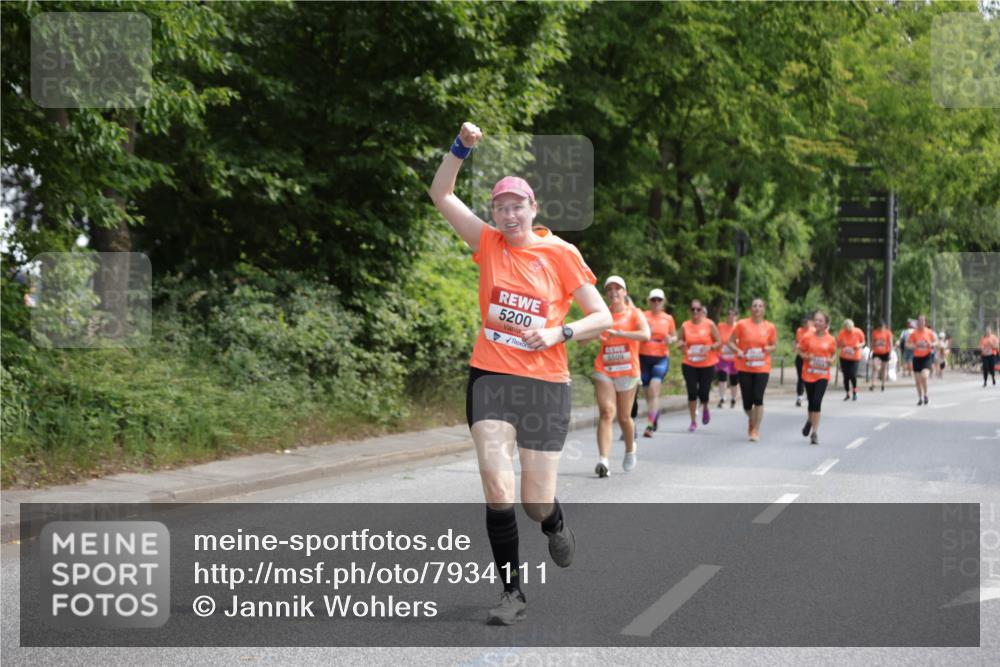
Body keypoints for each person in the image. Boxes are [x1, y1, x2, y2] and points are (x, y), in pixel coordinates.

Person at [429, 122, 613, 625]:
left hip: (545, 386)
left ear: (533, 209)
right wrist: (461, 147)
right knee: (496, 486)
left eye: (517, 205)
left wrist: (560, 334)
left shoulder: (560, 254)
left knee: (534, 502)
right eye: (500, 206)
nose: (509, 214)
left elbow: (603, 317)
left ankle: (554, 523)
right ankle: (513, 594)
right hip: (490, 378)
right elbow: (440, 193)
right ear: (495, 214)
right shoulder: (488, 243)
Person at [579, 276, 650, 477]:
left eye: (617, 288)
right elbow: (581, 341)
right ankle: (603, 460)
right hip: (605, 369)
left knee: (624, 416)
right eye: (609, 289)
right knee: (606, 412)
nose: (613, 292)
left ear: (625, 292)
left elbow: (646, 335)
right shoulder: (602, 315)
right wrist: (596, 335)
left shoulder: (635, 314)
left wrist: (619, 333)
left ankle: (630, 449)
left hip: (628, 370)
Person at [728, 297, 778, 442]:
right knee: (747, 402)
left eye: (760, 306)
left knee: (758, 397)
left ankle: (755, 429)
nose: (757, 308)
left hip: (762, 367)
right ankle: (752, 419)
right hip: (745, 366)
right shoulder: (742, 324)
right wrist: (738, 351)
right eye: (754, 306)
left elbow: (774, 345)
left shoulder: (770, 327)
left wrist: (769, 348)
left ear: (764, 309)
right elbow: (730, 342)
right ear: (751, 309)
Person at [677, 299, 722, 432]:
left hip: (707, 364)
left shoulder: (709, 324)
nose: (695, 312)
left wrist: (710, 346)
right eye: (693, 309)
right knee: (692, 392)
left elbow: (719, 341)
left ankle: (705, 407)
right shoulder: (685, 325)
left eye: (698, 309)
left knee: (703, 392)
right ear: (690, 311)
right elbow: (680, 341)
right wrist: (681, 345)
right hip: (689, 363)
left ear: (702, 310)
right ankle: (693, 421)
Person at [638, 288, 676, 438]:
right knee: (648, 393)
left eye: (659, 300)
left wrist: (670, 339)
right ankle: (654, 414)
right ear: (649, 301)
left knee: (654, 390)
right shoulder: (643, 316)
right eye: (653, 300)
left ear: (663, 302)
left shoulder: (668, 318)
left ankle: (649, 425)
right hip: (643, 357)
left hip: (660, 358)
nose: (656, 303)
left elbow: (674, 336)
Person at [797, 310, 837, 445]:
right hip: (809, 373)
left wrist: (831, 361)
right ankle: (809, 420)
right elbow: (799, 350)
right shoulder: (807, 336)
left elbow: (833, 354)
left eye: (821, 321)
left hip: (822, 375)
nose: (818, 323)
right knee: (811, 401)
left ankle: (814, 433)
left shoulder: (830, 339)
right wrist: (806, 356)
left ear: (826, 323)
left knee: (817, 401)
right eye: (816, 320)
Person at [906, 314, 938, 405]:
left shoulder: (929, 332)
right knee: (917, 381)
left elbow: (936, 341)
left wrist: (932, 344)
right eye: (919, 321)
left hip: (926, 357)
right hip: (916, 358)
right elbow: (907, 344)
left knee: (924, 377)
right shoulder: (914, 333)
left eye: (922, 321)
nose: (920, 323)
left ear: (925, 322)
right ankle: (920, 398)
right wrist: (914, 345)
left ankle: (926, 394)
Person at [715, 308, 739, 409]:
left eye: (733, 315)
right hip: (723, 356)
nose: (731, 317)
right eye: (729, 314)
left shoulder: (739, 327)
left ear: (737, 316)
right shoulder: (720, 326)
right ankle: (722, 398)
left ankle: (733, 399)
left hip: (735, 357)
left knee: (734, 380)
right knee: (722, 377)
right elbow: (715, 338)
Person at [836, 319, 865, 401]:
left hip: (855, 357)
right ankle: (847, 393)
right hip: (844, 357)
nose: (848, 331)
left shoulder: (858, 331)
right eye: (847, 329)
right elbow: (838, 345)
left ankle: (855, 392)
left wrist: (858, 345)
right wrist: (842, 344)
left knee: (853, 375)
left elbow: (863, 342)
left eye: (850, 329)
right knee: (846, 376)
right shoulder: (842, 332)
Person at [794, 315, 814, 407]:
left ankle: (810, 394)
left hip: (810, 358)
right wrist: (796, 346)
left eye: (806, 323)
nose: (804, 325)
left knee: (809, 377)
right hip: (800, 356)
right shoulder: (799, 330)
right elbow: (797, 342)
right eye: (803, 323)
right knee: (801, 377)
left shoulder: (813, 331)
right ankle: (799, 396)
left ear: (810, 323)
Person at [869, 319, 893, 391]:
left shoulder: (888, 333)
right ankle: (873, 384)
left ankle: (883, 384)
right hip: (876, 352)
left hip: (885, 352)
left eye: (882, 327)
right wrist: (871, 349)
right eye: (880, 327)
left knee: (884, 369)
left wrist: (890, 352)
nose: (881, 329)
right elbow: (872, 341)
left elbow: (890, 343)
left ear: (884, 326)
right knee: (875, 368)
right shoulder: (875, 332)